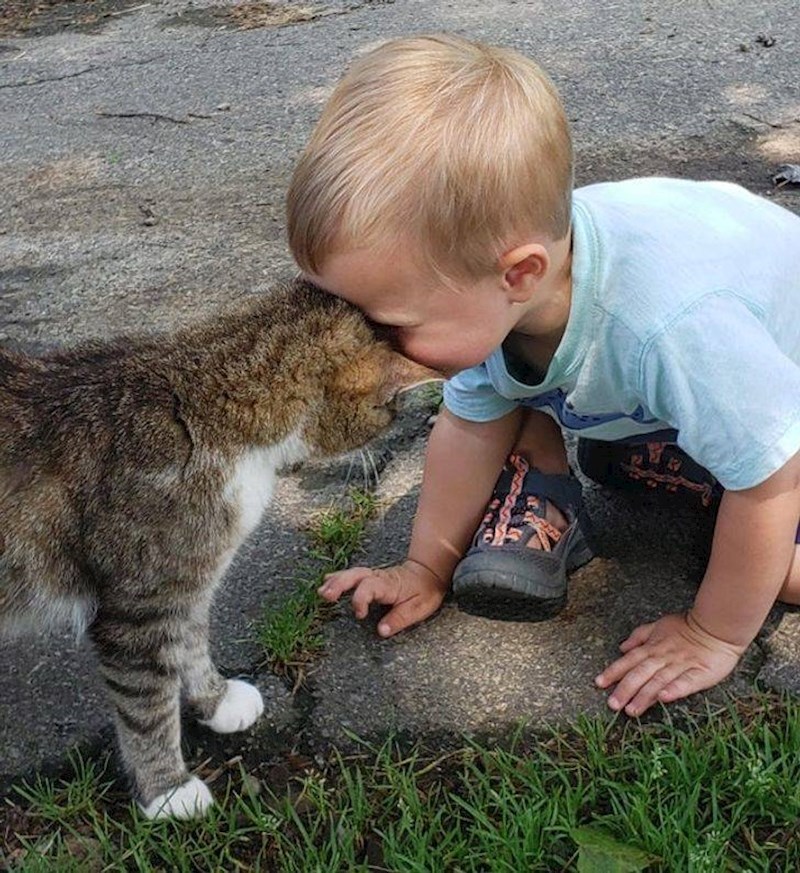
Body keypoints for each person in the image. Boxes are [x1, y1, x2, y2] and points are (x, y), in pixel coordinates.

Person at [285, 33, 800, 717]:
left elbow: (770, 477)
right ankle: (675, 445)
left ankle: (699, 455)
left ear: (518, 273)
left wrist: (714, 632)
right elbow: (470, 428)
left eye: (387, 323)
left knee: (779, 570)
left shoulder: (669, 330)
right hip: (734, 374)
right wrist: (425, 566)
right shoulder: (497, 298)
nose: (364, 348)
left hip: (770, 384)